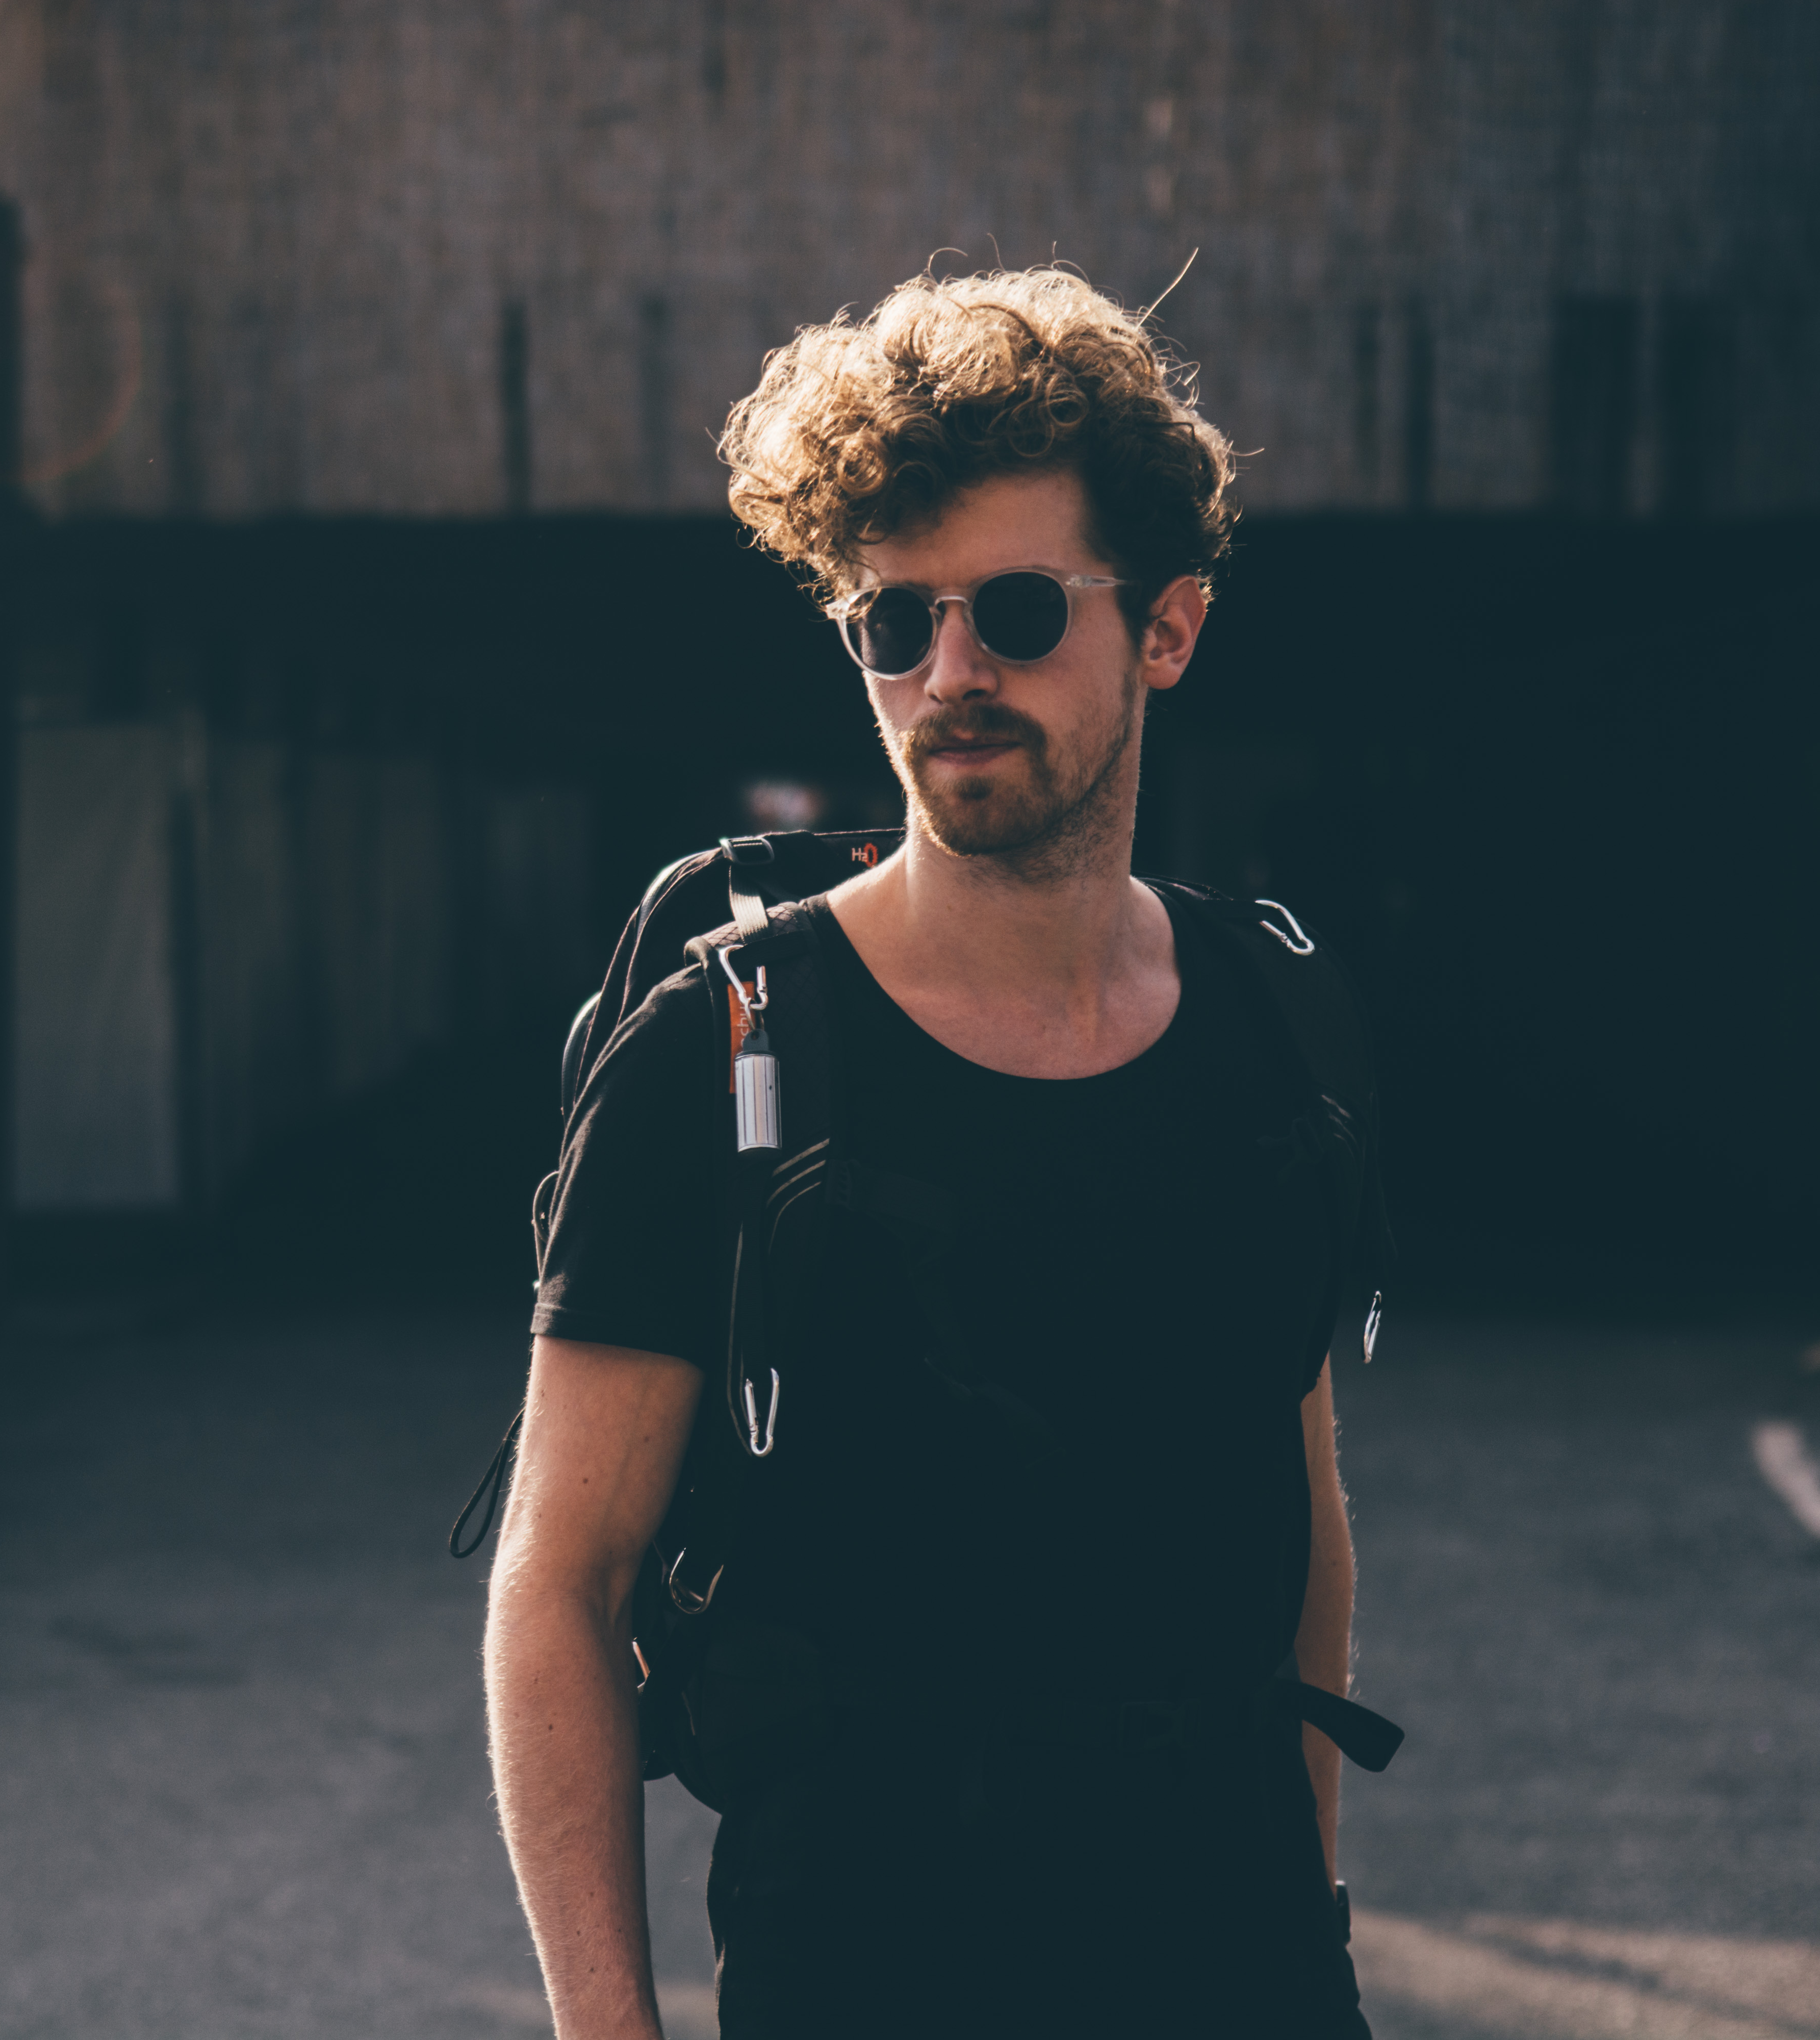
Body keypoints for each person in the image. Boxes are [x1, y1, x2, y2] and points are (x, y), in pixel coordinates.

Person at [484, 270, 1387, 2036]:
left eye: (1020, 612)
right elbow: (559, 1585)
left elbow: (1302, 1517)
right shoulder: (723, 1054)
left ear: (1169, 630)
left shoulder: (1278, 1024)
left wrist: (1312, 1924)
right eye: (895, 626)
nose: (951, 675)